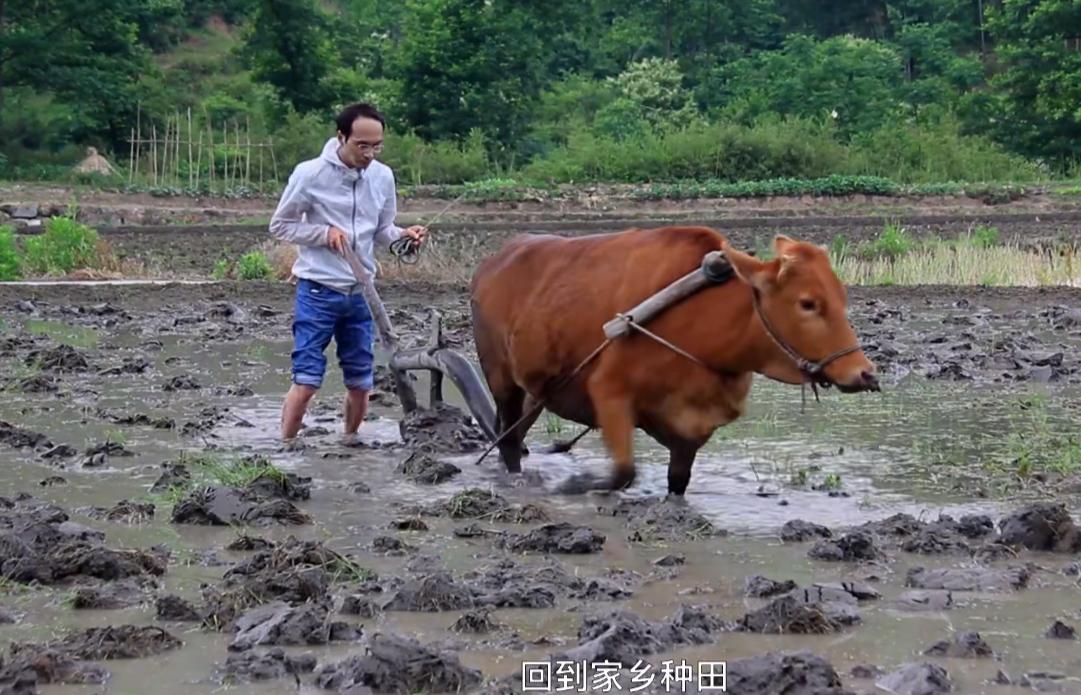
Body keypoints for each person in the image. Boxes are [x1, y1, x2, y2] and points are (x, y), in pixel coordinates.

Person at [269, 102, 427, 444]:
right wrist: (324, 234)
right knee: (308, 379)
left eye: (377, 146)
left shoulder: (382, 177)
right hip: (318, 291)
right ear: (341, 137)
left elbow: (382, 229)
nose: (370, 153)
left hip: (361, 293)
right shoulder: (310, 174)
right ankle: (285, 445)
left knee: (361, 382)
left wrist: (404, 237)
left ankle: (350, 441)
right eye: (362, 145)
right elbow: (280, 225)